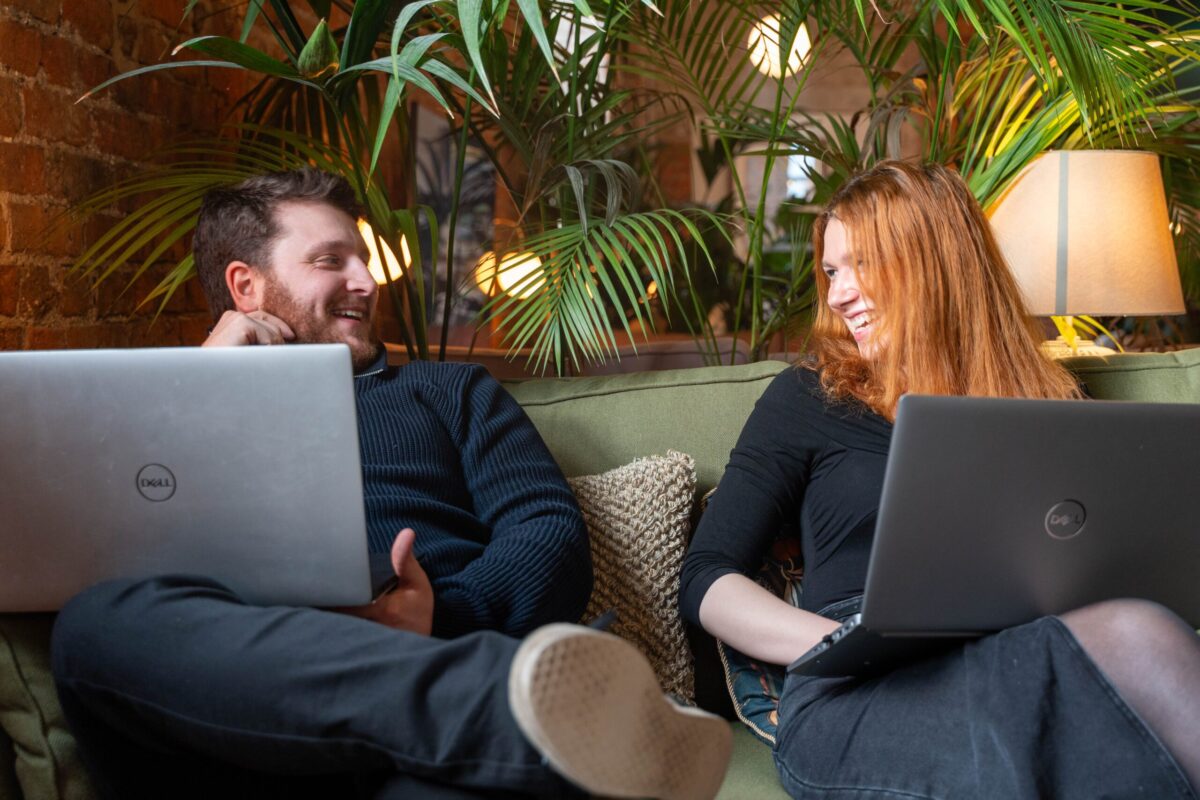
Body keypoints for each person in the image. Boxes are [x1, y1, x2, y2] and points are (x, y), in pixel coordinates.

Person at [51, 168, 732, 799]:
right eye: (331, 261)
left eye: (364, 259)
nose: (367, 281)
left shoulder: (450, 392)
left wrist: (441, 615)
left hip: (424, 739)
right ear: (245, 286)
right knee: (93, 627)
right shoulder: (173, 407)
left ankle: (495, 721)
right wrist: (204, 387)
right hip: (244, 717)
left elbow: (548, 534)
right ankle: (519, 713)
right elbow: (106, 549)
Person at [680, 160, 1200, 799]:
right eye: (832, 271)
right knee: (1137, 636)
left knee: (1134, 640)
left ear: (936, 263)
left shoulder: (1052, 405)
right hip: (859, 688)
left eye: (862, 264)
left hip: (1017, 655)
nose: (838, 294)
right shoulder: (807, 396)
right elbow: (706, 578)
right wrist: (841, 641)